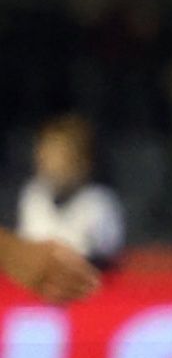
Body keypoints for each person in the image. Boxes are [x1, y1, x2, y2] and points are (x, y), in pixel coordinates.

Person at [16, 114, 126, 266]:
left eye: (61, 158)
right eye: (47, 157)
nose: (52, 166)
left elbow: (107, 256)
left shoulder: (99, 202)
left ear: (84, 163)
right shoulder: (33, 195)